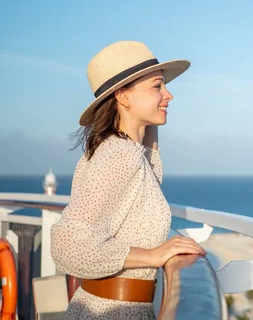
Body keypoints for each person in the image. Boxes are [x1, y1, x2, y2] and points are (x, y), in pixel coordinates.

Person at [51, 40, 206, 319]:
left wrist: (148, 125)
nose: (169, 95)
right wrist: (154, 255)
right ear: (123, 97)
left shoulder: (124, 150)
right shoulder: (120, 155)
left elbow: (149, 174)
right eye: (157, 86)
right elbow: (67, 244)